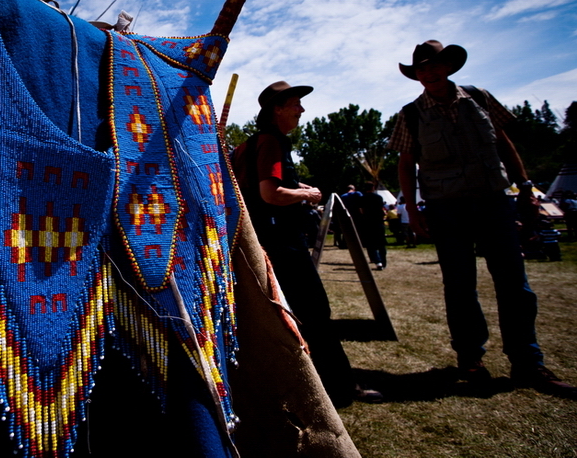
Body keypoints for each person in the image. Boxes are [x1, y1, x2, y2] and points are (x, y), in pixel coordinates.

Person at [388, 40, 576, 398]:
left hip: (494, 201)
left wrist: (525, 188)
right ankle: (470, 360)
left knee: (515, 285)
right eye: (421, 69)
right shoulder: (411, 113)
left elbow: (505, 143)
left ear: (447, 67)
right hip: (446, 208)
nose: (427, 73)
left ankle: (529, 363)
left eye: (433, 66)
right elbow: (405, 163)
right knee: (460, 288)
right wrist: (412, 210)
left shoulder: (479, 98)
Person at [233, 81, 382, 407]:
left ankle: (301, 385)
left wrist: (297, 184)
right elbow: (270, 193)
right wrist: (308, 194)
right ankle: (342, 388)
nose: (301, 110)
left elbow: (267, 183)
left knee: (284, 318)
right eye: (295, 104)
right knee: (316, 314)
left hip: (263, 244)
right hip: (283, 244)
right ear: (277, 108)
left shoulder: (253, 143)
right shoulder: (271, 142)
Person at [359, 182, 388, 270]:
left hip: (368, 222)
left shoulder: (362, 198)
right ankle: (383, 261)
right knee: (381, 243)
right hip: (378, 222)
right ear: (373, 188)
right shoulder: (378, 198)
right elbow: (382, 210)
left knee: (370, 244)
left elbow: (361, 210)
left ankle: (377, 261)